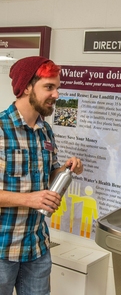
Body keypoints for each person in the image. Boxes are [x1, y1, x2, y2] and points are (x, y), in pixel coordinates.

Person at [0, 56, 84, 295]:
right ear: (26, 87)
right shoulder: (1, 129)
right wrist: (29, 199)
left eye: (57, 87)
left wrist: (66, 169)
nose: (56, 95)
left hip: (36, 249)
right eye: (49, 87)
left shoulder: (45, 131)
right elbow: (32, 196)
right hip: (2, 251)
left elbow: (48, 176)